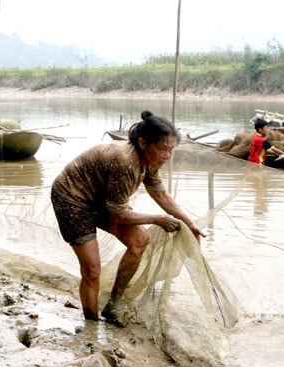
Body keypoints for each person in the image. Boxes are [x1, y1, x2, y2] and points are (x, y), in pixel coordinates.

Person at [51, 110, 206, 323]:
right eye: (162, 149)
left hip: (101, 198)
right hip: (72, 200)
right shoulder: (124, 163)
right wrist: (156, 219)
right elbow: (117, 215)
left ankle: (113, 303)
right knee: (92, 269)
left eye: (171, 150)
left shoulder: (151, 163)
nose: (167, 156)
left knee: (140, 239)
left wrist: (189, 223)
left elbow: (160, 193)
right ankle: (92, 323)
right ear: (143, 143)